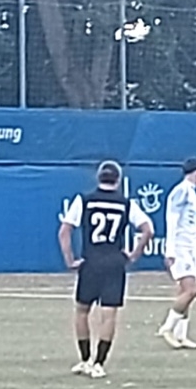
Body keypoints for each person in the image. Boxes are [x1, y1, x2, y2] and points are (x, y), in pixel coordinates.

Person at [59, 160, 154, 378]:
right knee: (109, 314)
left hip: (91, 261)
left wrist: (70, 260)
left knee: (82, 310)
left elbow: (64, 231)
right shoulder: (126, 204)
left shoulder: (84, 200)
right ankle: (99, 363)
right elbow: (148, 229)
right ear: (118, 180)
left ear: (98, 177)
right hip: (114, 262)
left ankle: (84, 359)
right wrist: (134, 253)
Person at [156, 157, 196, 350]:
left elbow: (193, 224)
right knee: (191, 290)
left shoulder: (191, 193)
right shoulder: (181, 191)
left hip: (190, 247)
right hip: (181, 247)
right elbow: (172, 220)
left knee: (185, 292)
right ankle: (167, 328)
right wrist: (170, 249)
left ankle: (181, 336)